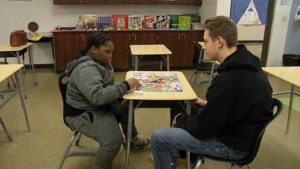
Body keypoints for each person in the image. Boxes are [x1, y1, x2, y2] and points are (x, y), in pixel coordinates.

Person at [151, 16, 273, 169]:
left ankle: (170, 157)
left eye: (206, 41)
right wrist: (209, 104)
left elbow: (204, 128)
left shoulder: (228, 79)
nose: (203, 46)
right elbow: (239, 102)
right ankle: (174, 157)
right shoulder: (248, 65)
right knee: (181, 104)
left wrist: (180, 120)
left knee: (159, 137)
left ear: (219, 41)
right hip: (240, 133)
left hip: (232, 145)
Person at [65, 32, 150, 169]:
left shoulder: (99, 62)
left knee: (127, 105)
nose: (111, 55)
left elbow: (105, 86)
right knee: (113, 141)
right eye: (107, 52)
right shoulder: (86, 69)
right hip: (81, 113)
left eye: (112, 52)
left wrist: (120, 92)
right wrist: (125, 85)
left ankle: (132, 139)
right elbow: (97, 97)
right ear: (93, 50)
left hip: (97, 106)